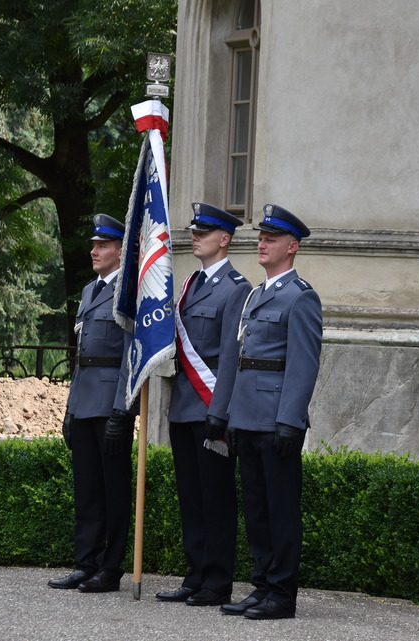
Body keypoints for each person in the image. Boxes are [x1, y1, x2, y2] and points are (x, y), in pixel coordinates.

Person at [220, 203, 322, 620]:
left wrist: (290, 421)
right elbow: (242, 360)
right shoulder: (256, 296)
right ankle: (262, 586)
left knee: (281, 512)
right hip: (247, 417)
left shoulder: (300, 298)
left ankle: (282, 594)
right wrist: (230, 416)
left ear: (291, 247)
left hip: (277, 419)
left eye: (272, 238)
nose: (261, 242)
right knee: (257, 510)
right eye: (261, 237)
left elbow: (303, 364)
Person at [156, 203, 251, 607]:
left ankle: (217, 582)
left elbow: (231, 356)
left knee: (216, 498)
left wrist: (221, 410)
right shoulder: (190, 284)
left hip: (212, 408)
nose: (195, 236)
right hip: (183, 407)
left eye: (204, 232)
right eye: (195, 231)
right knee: (191, 498)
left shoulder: (237, 288)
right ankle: (195, 574)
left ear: (224, 239)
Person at [48, 213, 137, 594]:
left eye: (102, 245)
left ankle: (110, 568)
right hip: (84, 402)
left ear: (120, 250)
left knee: (113, 490)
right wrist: (70, 408)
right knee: (86, 489)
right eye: (94, 245)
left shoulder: (129, 293)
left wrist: (123, 410)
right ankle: (85, 563)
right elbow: (82, 356)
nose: (94, 251)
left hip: (109, 406)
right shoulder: (89, 291)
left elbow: (131, 356)